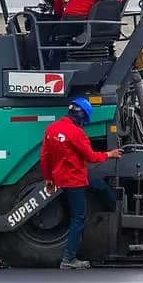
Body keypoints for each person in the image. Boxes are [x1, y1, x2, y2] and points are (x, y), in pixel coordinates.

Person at [41, 97, 122, 270]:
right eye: (84, 120)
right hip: (74, 180)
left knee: (98, 184)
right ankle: (69, 259)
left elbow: (45, 156)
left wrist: (48, 178)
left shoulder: (52, 129)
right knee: (79, 218)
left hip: (61, 178)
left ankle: (113, 204)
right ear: (81, 116)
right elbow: (92, 157)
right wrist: (110, 154)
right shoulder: (76, 133)